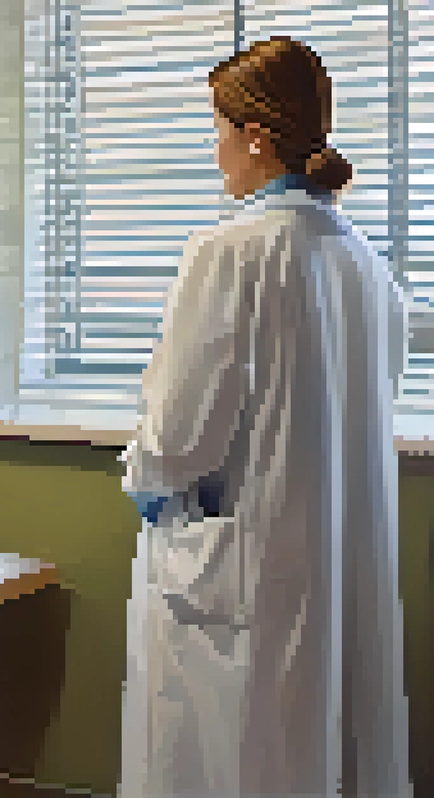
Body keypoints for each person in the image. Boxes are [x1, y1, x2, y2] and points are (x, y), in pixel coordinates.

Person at [119, 37, 412, 797]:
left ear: (256, 136)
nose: (215, 152)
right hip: (335, 562)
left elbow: (178, 438)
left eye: (218, 131)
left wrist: (146, 477)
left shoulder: (231, 252)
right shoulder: (365, 265)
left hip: (245, 578)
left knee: (236, 759)